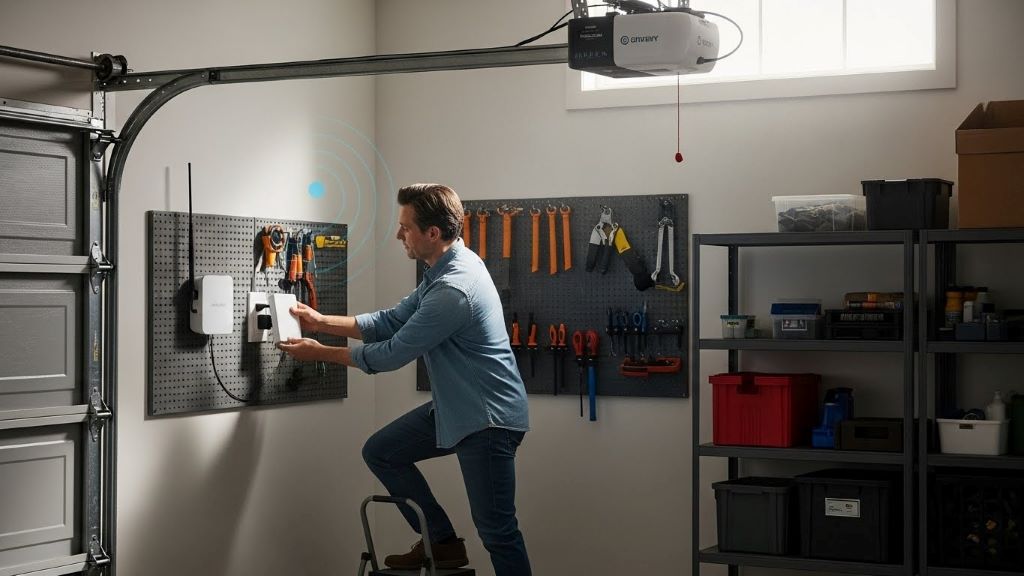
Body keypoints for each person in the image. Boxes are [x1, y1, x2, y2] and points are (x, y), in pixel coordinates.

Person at [277, 183, 531, 576]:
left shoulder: (454, 290)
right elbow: (391, 321)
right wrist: (322, 321)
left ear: (432, 233)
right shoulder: (445, 267)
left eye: (405, 227)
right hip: (457, 406)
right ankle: (442, 543)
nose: (398, 235)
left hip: (487, 419)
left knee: (497, 531)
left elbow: (393, 352)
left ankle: (445, 544)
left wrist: (318, 352)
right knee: (381, 451)